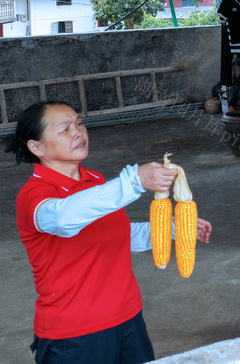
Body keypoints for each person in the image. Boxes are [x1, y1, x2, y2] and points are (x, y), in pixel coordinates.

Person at [5, 101, 212, 364]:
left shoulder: (96, 180)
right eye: (65, 129)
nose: (78, 132)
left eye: (79, 123)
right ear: (36, 147)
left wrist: (173, 229)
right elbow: (63, 218)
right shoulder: (34, 195)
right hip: (74, 333)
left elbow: (118, 235)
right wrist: (134, 180)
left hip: (128, 318)